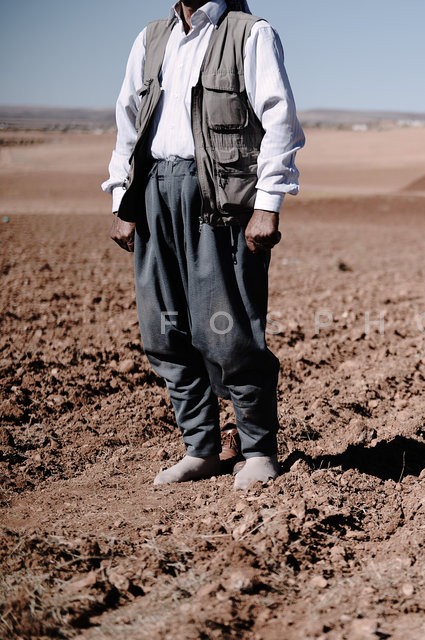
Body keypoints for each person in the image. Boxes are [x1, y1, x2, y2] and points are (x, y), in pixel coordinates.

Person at [102, 0, 305, 490]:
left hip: (222, 198)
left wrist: (269, 202)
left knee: (229, 330)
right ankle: (202, 448)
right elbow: (129, 116)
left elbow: (279, 119)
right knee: (162, 331)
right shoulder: (151, 37)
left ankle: (257, 450)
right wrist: (121, 197)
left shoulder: (250, 33)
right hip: (154, 191)